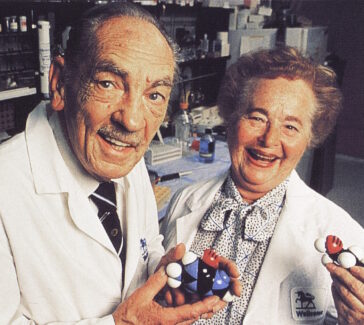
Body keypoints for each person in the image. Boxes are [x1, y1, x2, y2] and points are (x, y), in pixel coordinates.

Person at [0, 3, 240, 324]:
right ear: (59, 83)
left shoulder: (120, 155)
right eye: (108, 83)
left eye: (154, 95)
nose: (132, 120)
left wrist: (166, 272)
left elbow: (146, 244)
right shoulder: (7, 188)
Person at [160, 47, 364, 324]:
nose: (268, 140)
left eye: (290, 127)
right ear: (230, 118)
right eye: (257, 117)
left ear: (310, 138)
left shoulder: (342, 232)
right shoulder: (185, 200)